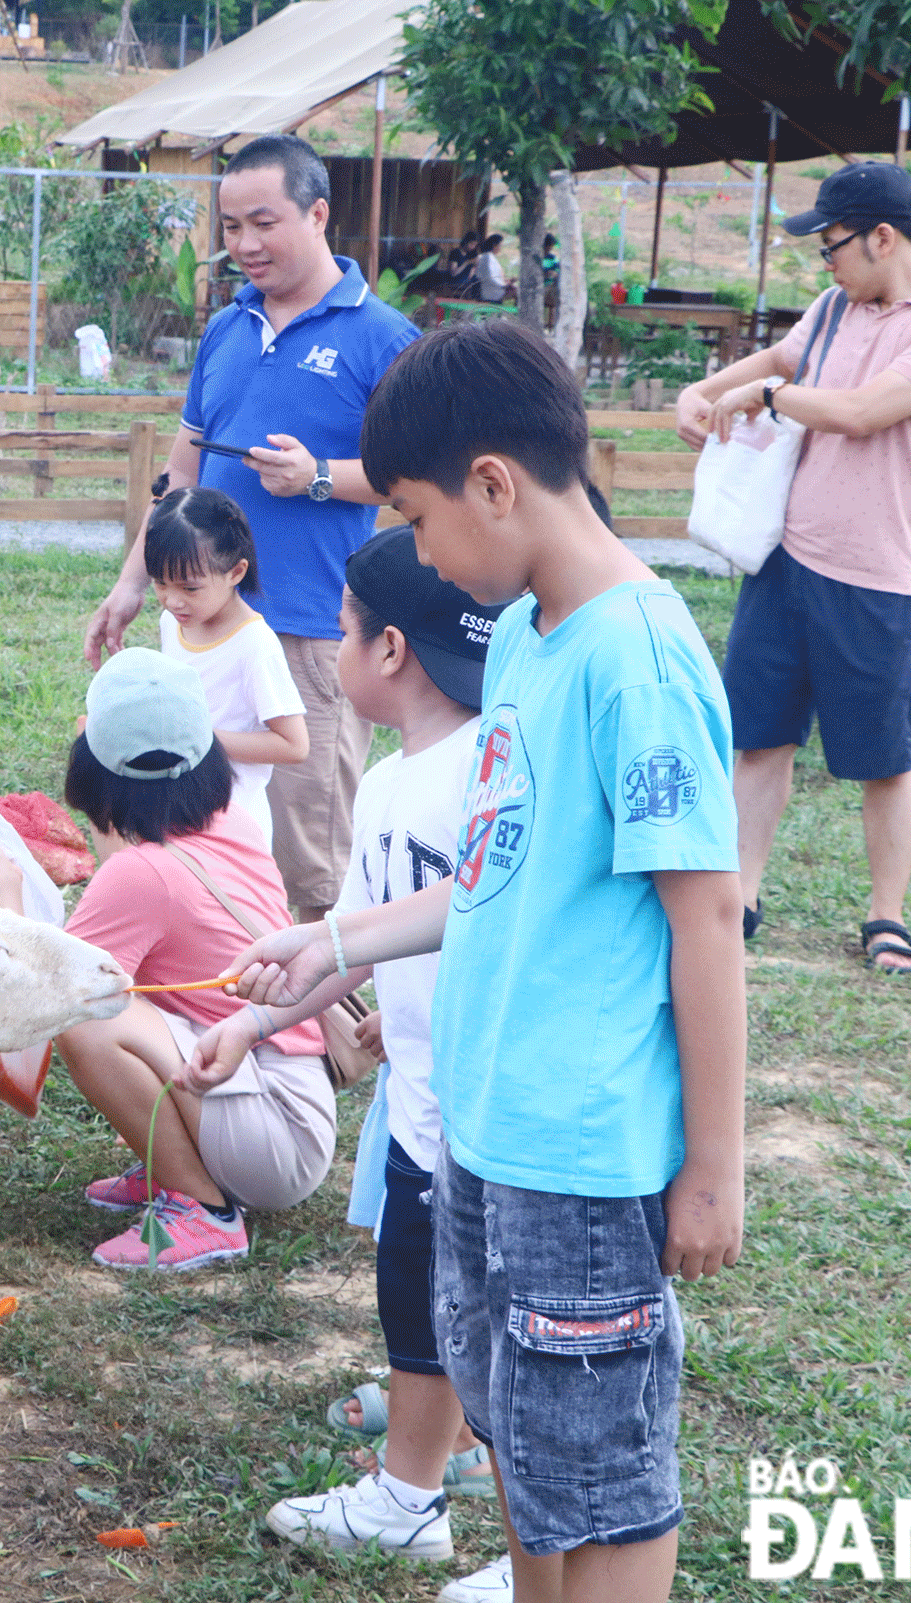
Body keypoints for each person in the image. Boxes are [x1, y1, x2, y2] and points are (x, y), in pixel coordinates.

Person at [186, 320, 747, 1603]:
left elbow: (703, 919)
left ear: (494, 483)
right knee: (522, 1437)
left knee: (603, 1471)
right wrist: (330, 941)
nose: (420, 552)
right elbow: (494, 877)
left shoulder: (638, 657)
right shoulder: (536, 641)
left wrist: (711, 1168)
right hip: (485, 1131)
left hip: (582, 1146)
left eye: (417, 516)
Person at [82, 133, 420, 924]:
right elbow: (182, 476)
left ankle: (323, 1035)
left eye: (262, 223)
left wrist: (322, 477)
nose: (243, 246)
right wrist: (134, 581)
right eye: (231, 228)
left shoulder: (382, 339)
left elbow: (422, 482)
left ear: (318, 213)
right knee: (195, 830)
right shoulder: (226, 330)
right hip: (199, 629)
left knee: (305, 860)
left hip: (306, 632)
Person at [676, 160, 911, 974]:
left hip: (876, 575)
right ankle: (740, 895)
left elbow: (858, 412)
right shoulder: (833, 308)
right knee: (759, 739)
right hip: (783, 562)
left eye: (832, 247)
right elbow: (780, 360)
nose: (826, 263)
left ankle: (886, 916)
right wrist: (705, 389)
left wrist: (768, 400)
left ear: (882, 237)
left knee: (883, 757)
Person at [262, 527, 506, 1575]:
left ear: (391, 649)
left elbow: (476, 914)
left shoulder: (484, 772)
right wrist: (248, 1022)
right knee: (415, 1303)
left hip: (490, 1117)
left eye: (343, 632)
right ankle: (409, 1500)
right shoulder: (390, 779)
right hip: (414, 1104)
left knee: (502, 1339)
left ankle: (539, 1549)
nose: (332, 650)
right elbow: (356, 934)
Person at [0, 648, 335, 1271]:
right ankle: (174, 1165)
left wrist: (3, 883)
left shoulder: (142, 873)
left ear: (93, 765)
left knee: (89, 1020)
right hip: (293, 1105)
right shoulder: (231, 822)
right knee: (115, 1001)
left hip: (274, 1134)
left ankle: (199, 1209)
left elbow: (43, 989)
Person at [148, 486, 308, 848]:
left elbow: (294, 745)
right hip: (176, 814)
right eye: (160, 583)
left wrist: (199, 738)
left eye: (190, 587)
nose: (172, 600)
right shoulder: (172, 622)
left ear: (236, 572)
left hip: (233, 829)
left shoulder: (255, 645)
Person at [473, 234, 508, 304]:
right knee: (517, 292)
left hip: (494, 287)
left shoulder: (490, 257)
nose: (500, 248)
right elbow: (489, 277)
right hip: (490, 290)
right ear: (494, 245)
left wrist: (506, 282)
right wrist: (503, 285)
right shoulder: (487, 258)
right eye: (500, 246)